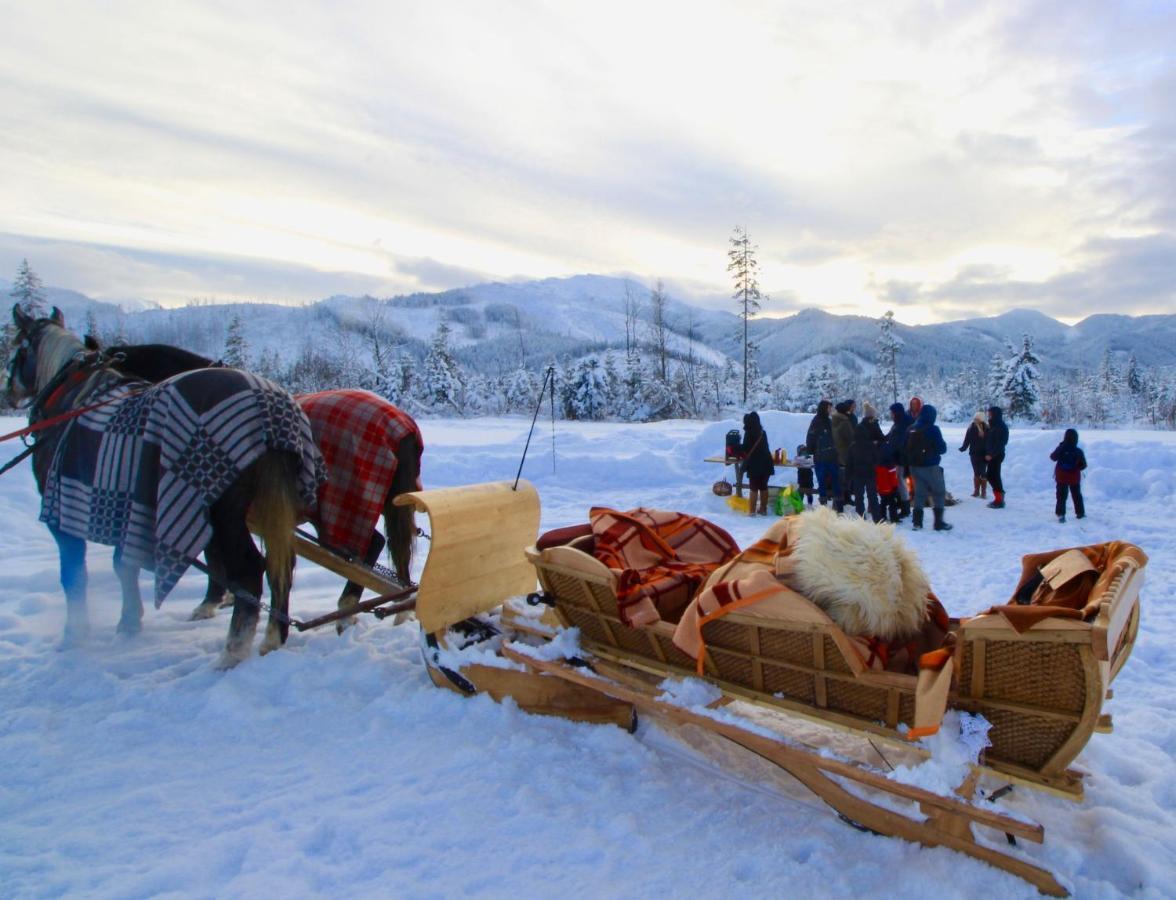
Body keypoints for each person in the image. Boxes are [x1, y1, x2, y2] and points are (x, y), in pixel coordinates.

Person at [905, 404, 952, 531]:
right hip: (930, 466)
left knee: (919, 493)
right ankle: (938, 522)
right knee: (939, 492)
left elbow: (904, 447)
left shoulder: (910, 428)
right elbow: (942, 449)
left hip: (914, 467)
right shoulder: (933, 429)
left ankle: (917, 523)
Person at [848, 402, 884, 520]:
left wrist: (849, 476)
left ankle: (860, 517)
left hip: (858, 474)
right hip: (870, 473)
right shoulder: (871, 445)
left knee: (859, 497)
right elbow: (876, 458)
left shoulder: (852, 447)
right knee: (872, 496)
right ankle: (877, 518)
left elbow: (850, 463)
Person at [805, 400, 839, 508]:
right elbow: (810, 438)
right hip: (821, 457)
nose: (830, 410)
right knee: (823, 482)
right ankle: (824, 504)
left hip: (830, 456)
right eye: (829, 408)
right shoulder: (817, 421)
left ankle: (836, 504)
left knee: (834, 480)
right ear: (824, 408)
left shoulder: (828, 421)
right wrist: (811, 452)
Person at [740, 411, 775, 516]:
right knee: (764, 487)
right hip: (766, 462)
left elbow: (746, 448)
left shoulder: (749, 433)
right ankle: (763, 510)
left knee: (753, 487)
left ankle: (752, 511)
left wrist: (736, 447)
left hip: (755, 464)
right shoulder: (762, 432)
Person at [1050, 428, 1087, 522]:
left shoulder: (1061, 448)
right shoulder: (1078, 451)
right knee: (1076, 495)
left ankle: (1061, 515)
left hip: (1061, 476)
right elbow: (1083, 466)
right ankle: (1080, 513)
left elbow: (1053, 457)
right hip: (1074, 477)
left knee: (1061, 496)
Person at [884, 402, 914, 519]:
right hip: (900, 457)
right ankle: (902, 503)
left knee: (901, 483)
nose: (890, 415)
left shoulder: (902, 425)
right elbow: (890, 436)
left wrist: (889, 450)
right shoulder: (900, 423)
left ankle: (905, 507)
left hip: (900, 458)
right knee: (900, 482)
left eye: (892, 413)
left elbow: (897, 443)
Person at [831, 399, 857, 512]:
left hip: (836, 454)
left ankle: (838, 503)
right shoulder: (845, 422)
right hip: (845, 454)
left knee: (839, 481)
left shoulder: (833, 420)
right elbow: (851, 438)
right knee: (844, 481)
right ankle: (840, 505)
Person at [958, 411, 988, 498]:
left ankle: (983, 492)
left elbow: (989, 441)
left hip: (984, 454)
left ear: (981, 419)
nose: (975, 420)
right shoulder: (971, 427)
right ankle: (976, 491)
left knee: (983, 472)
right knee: (976, 472)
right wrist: (963, 448)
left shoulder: (986, 428)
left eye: (977, 419)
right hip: (974, 453)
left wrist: (989, 452)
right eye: (975, 418)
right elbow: (967, 439)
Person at [985, 406, 1009, 509]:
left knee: (993, 476)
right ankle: (999, 497)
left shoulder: (1000, 426)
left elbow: (1001, 443)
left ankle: (999, 499)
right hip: (992, 454)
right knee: (991, 475)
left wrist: (991, 454)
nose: (988, 415)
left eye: (990, 414)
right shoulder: (993, 425)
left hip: (996, 455)